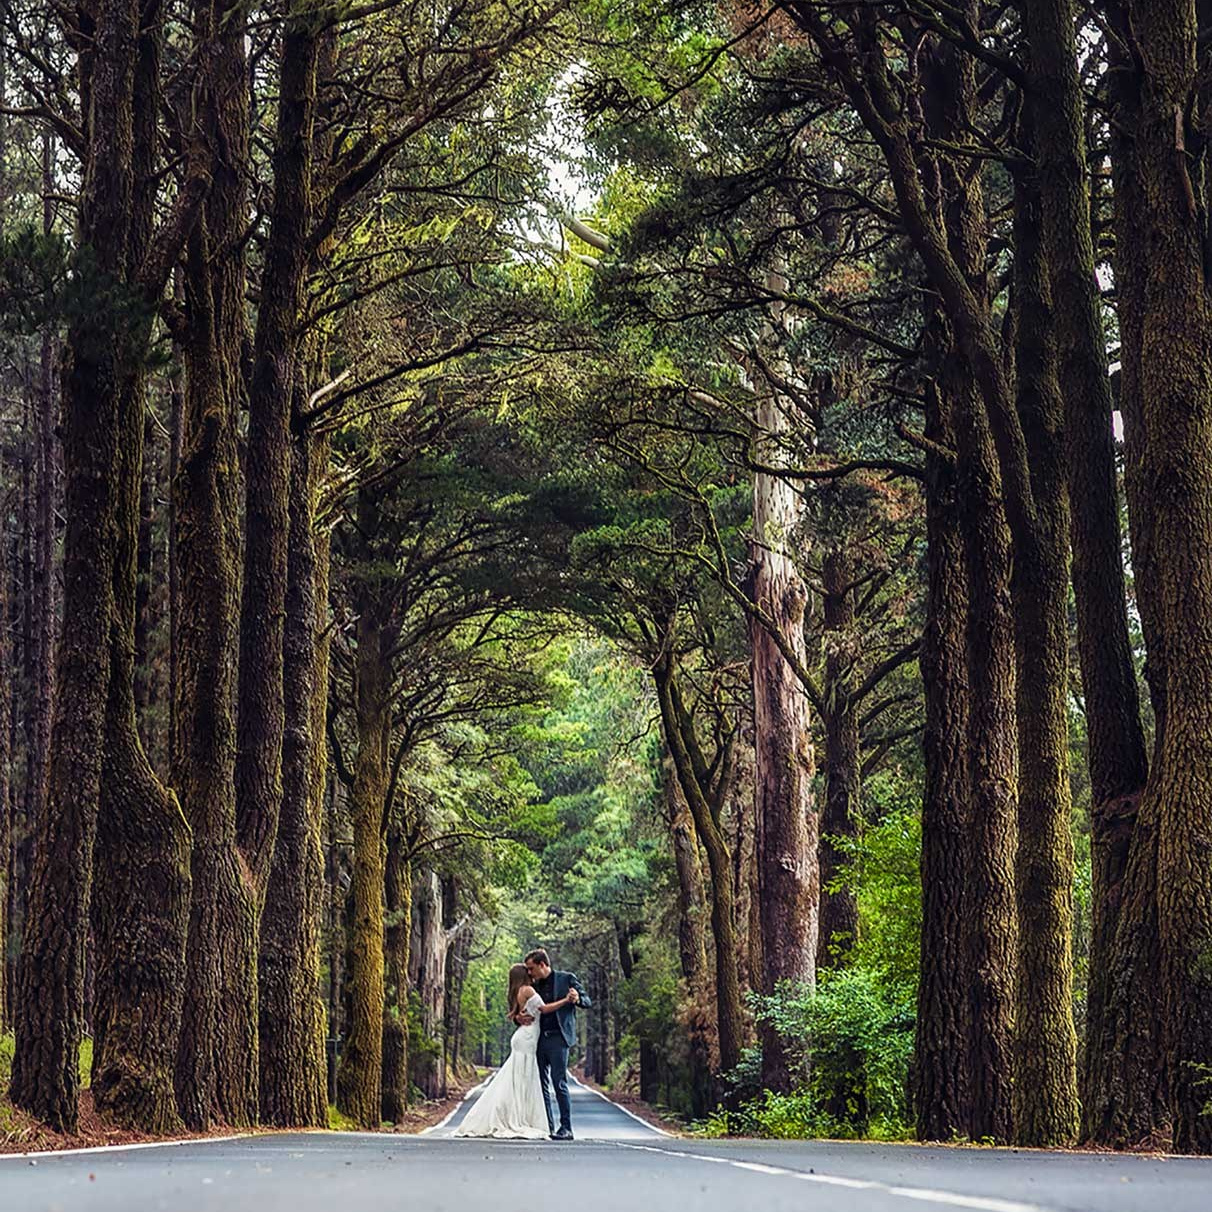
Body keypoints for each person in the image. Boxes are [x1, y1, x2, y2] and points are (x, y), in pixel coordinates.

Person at [453, 962, 578, 1139]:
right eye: (526, 970)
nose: (530, 972)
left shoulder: (516, 992)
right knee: (522, 1079)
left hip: (524, 1036)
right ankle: (516, 1118)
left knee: (519, 1079)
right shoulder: (527, 989)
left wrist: (519, 1017)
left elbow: (519, 1013)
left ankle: (519, 1116)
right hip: (527, 1038)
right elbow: (543, 1009)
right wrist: (565, 1000)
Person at [513, 948, 591, 1141]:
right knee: (539, 1084)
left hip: (558, 1038)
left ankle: (566, 1128)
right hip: (536, 1039)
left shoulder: (567, 979)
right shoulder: (531, 985)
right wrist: (517, 1018)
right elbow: (519, 1008)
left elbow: (587, 1001)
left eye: (531, 968)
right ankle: (547, 1126)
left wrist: (577, 999)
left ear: (542, 965)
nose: (529, 973)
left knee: (559, 1082)